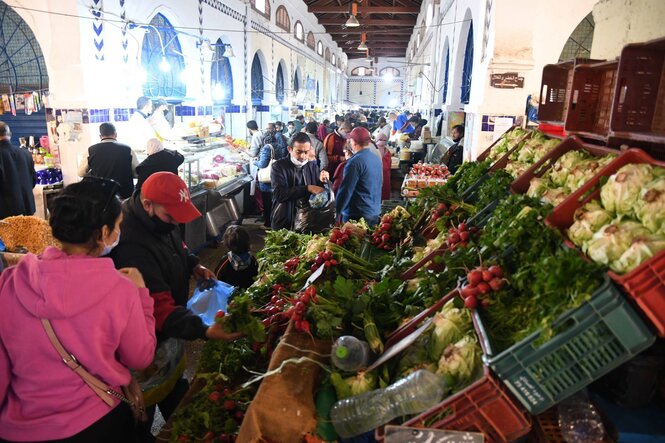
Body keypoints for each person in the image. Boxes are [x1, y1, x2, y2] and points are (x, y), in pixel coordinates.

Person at [0, 177, 156, 442]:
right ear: (103, 233)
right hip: (95, 423)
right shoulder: (122, 289)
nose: (119, 234)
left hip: (18, 430)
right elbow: (140, 357)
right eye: (118, 226)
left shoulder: (10, 281)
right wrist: (142, 295)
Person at [110, 172, 241, 436]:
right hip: (144, 342)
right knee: (139, 418)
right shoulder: (131, 242)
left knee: (178, 398)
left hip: (169, 337)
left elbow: (178, 247)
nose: (174, 224)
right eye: (171, 217)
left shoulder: (159, 221)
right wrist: (204, 330)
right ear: (148, 204)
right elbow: (158, 309)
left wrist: (193, 264)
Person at [270, 132, 329, 231]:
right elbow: (279, 195)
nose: (303, 156)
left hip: (306, 220)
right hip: (285, 219)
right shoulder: (279, 166)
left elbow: (319, 191)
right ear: (290, 149)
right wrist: (308, 188)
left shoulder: (312, 166)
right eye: (299, 152)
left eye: (306, 152)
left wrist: (323, 181)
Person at [336, 127, 382, 227]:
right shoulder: (375, 158)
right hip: (374, 211)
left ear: (354, 142)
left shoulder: (355, 162)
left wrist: (336, 212)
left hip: (356, 214)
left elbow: (346, 190)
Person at [78, 122, 138, 199]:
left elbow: (80, 173)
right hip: (124, 195)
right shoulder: (128, 149)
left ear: (100, 136)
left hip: (100, 195)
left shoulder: (91, 150)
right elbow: (137, 173)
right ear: (115, 134)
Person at [0, 122, 36, 219]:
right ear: (10, 135)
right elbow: (33, 182)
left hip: (6, 214)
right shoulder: (25, 153)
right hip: (28, 208)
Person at [255, 133, 278, 228]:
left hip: (267, 181)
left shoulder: (267, 148)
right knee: (275, 202)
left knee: (267, 202)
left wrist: (254, 162)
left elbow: (263, 164)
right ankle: (276, 221)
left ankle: (268, 222)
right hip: (277, 177)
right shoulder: (280, 146)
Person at [375, 132, 392, 200]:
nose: (382, 142)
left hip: (385, 177)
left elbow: (389, 165)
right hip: (376, 176)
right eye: (380, 139)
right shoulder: (373, 150)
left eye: (384, 140)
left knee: (385, 194)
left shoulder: (387, 152)